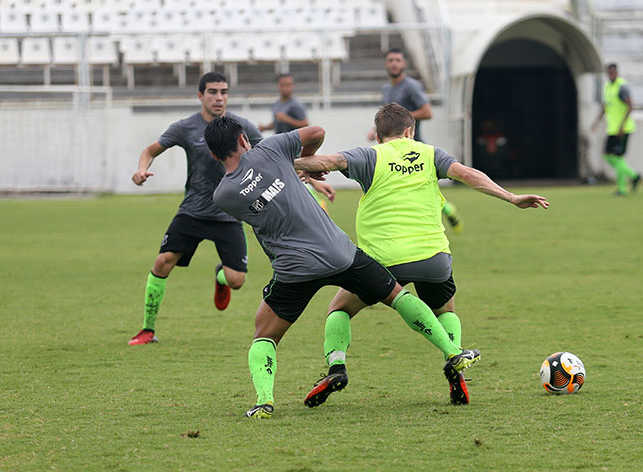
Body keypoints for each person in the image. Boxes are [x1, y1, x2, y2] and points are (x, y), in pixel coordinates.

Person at [204, 116, 480, 418]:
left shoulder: (223, 195)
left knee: (265, 335)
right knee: (398, 296)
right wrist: (304, 162)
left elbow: (259, 195)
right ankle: (454, 353)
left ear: (215, 154)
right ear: (244, 139)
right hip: (339, 253)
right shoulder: (271, 148)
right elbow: (317, 132)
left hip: (294, 269)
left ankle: (264, 401)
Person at [295, 103, 549, 407]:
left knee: (339, 308)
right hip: (433, 257)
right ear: (409, 131)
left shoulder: (369, 155)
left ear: (377, 136)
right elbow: (468, 175)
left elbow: (329, 160)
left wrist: (292, 163)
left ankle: (336, 368)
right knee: (446, 311)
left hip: (383, 259)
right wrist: (511, 197)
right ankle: (455, 363)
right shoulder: (431, 154)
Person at [127, 72, 262, 346]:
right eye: (212, 92)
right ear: (200, 95)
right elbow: (150, 150)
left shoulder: (242, 127)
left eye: (223, 92)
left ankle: (220, 277)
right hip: (193, 211)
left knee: (237, 280)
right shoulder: (186, 127)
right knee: (162, 262)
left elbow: (271, 154)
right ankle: (147, 330)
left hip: (229, 212)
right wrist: (142, 169)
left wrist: (307, 177)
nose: (219, 97)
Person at [366, 47, 463, 232]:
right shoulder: (386, 89)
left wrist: (403, 119)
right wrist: (375, 129)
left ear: (404, 64)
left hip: (413, 146)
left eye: (398, 60)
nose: (394, 63)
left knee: (415, 186)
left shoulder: (411, 86)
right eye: (391, 60)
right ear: (386, 64)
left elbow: (427, 112)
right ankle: (444, 209)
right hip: (394, 148)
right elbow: (388, 118)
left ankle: (439, 213)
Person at [257, 73, 333, 210]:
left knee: (292, 182)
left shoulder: (296, 105)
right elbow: (277, 123)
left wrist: (286, 119)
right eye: (283, 85)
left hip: (293, 150)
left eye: (289, 84)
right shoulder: (276, 104)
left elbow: (306, 125)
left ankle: (317, 205)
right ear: (278, 86)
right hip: (278, 149)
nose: (287, 88)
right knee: (281, 182)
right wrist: (265, 127)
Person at [591, 63, 642, 196]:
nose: (611, 74)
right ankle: (634, 176)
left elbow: (630, 106)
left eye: (613, 72)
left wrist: (622, 125)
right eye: (609, 72)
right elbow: (605, 107)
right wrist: (596, 121)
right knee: (607, 156)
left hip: (623, 129)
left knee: (618, 158)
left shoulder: (622, 87)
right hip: (612, 129)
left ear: (617, 72)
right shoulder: (607, 87)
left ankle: (622, 189)